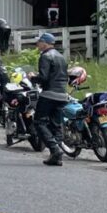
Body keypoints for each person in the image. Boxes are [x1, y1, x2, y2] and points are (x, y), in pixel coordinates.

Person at [33, 32, 71, 165]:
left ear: (45, 43)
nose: (37, 45)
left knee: (39, 122)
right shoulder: (61, 57)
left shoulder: (45, 56)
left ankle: (54, 149)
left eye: (39, 42)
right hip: (62, 94)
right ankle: (56, 155)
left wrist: (32, 77)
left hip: (49, 93)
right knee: (56, 124)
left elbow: (43, 78)